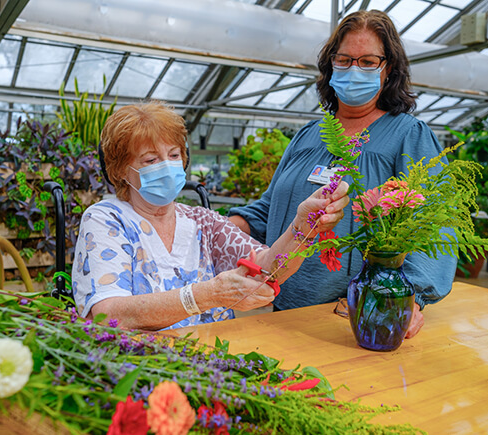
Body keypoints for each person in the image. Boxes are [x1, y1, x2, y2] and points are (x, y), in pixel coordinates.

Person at [228, 10, 457, 339]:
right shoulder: (309, 135)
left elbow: (438, 223)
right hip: (281, 309)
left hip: (355, 316)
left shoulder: (408, 135)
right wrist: (209, 231)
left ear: (388, 68)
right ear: (330, 64)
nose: (354, 69)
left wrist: (411, 298)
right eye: (345, 59)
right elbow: (269, 210)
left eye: (367, 62)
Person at [72, 102, 349, 330]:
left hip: (213, 367)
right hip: (142, 368)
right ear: (119, 170)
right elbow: (106, 314)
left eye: (173, 154)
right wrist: (206, 295)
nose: (167, 166)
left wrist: (302, 227)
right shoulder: (106, 220)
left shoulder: (203, 222)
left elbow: (266, 268)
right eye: (150, 160)